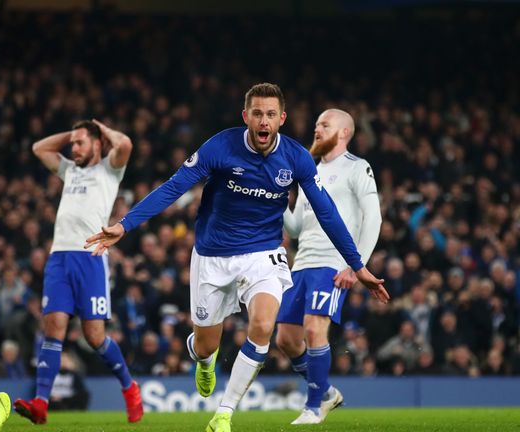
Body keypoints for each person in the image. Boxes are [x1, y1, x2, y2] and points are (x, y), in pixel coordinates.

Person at [85, 83, 389, 432]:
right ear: (246, 116)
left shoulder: (297, 158)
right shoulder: (221, 146)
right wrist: (125, 225)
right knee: (204, 345)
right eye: (257, 113)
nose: (263, 121)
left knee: (262, 326)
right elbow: (174, 186)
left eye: (271, 114)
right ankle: (203, 358)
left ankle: (224, 413)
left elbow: (328, 214)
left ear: (282, 119)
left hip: (264, 253)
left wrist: (358, 265)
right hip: (213, 255)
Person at [13, 120, 142, 424]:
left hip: (90, 257)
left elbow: (125, 145)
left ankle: (129, 388)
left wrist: (101, 129)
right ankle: (41, 403)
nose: (74, 148)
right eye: (73, 144)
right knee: (53, 328)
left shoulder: (110, 169)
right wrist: (72, 134)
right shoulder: (70, 169)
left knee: (95, 337)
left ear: (97, 144)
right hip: (59, 257)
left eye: (81, 143)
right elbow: (38, 148)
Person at [276, 108, 383, 424]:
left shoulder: (357, 167)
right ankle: (325, 392)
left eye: (325, 124)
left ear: (345, 132)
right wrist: (281, 198)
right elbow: (295, 229)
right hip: (302, 265)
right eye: (316, 124)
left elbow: (373, 217)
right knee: (286, 339)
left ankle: (312, 408)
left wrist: (356, 265)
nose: (317, 128)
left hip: (333, 263)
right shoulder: (309, 172)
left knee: (313, 329)